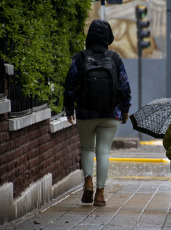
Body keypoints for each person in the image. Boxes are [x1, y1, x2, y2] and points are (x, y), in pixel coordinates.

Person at [63, 19, 131, 206]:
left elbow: (70, 85)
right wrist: (125, 109)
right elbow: (124, 86)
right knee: (103, 152)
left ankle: (88, 182)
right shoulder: (115, 58)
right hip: (111, 113)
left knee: (87, 149)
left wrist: (69, 109)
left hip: (86, 112)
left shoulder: (80, 57)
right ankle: (100, 194)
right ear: (108, 36)